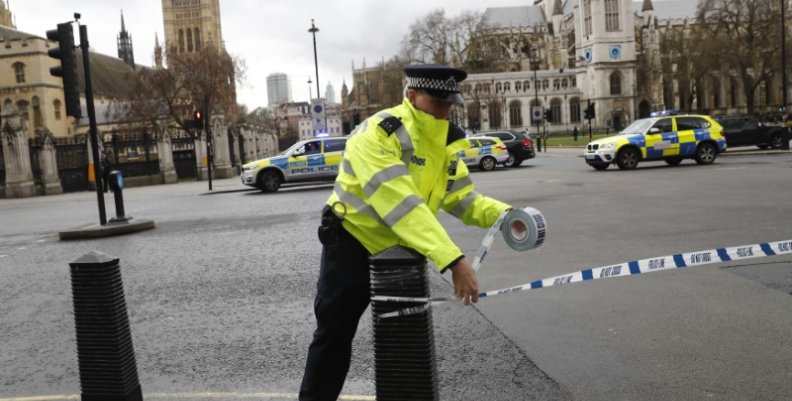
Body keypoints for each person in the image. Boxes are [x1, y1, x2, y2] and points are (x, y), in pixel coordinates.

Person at [299, 64, 518, 401]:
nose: (446, 111)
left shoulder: (444, 144)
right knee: (334, 339)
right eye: (438, 102)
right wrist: (454, 260)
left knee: (404, 348)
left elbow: (462, 199)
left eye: (450, 103)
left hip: (400, 258)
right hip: (352, 246)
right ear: (412, 96)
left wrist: (505, 215)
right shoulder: (378, 133)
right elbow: (402, 204)